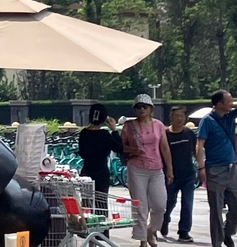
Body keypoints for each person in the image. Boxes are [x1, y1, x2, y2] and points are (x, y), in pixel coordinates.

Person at [122, 93, 173, 247]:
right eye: (138, 107)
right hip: (137, 168)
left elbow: (164, 147)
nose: (141, 109)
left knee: (160, 204)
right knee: (140, 205)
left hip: (156, 168)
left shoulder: (158, 125)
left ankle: (152, 229)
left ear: (151, 108)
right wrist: (132, 149)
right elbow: (121, 147)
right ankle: (143, 239)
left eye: (145, 106)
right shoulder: (129, 126)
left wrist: (169, 168)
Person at [197, 89, 237, 247]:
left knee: (235, 206)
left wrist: (232, 102)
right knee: (216, 210)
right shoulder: (207, 120)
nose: (232, 103)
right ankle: (217, 243)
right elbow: (199, 144)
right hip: (215, 169)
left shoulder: (229, 116)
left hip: (232, 168)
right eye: (228, 100)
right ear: (219, 104)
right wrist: (201, 168)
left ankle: (227, 232)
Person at [78, 103, 123, 238]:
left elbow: (82, 153)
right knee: (101, 204)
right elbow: (119, 148)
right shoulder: (104, 134)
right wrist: (114, 130)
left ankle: (86, 231)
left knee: (86, 203)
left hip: (86, 171)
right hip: (101, 171)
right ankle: (102, 234)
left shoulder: (84, 133)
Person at [159, 106, 197, 242]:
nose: (179, 119)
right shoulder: (164, 134)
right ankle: (164, 220)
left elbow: (196, 150)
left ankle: (184, 231)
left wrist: (200, 168)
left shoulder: (189, 133)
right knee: (168, 202)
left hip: (188, 175)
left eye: (182, 116)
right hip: (170, 174)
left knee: (187, 203)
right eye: (176, 116)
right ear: (171, 117)